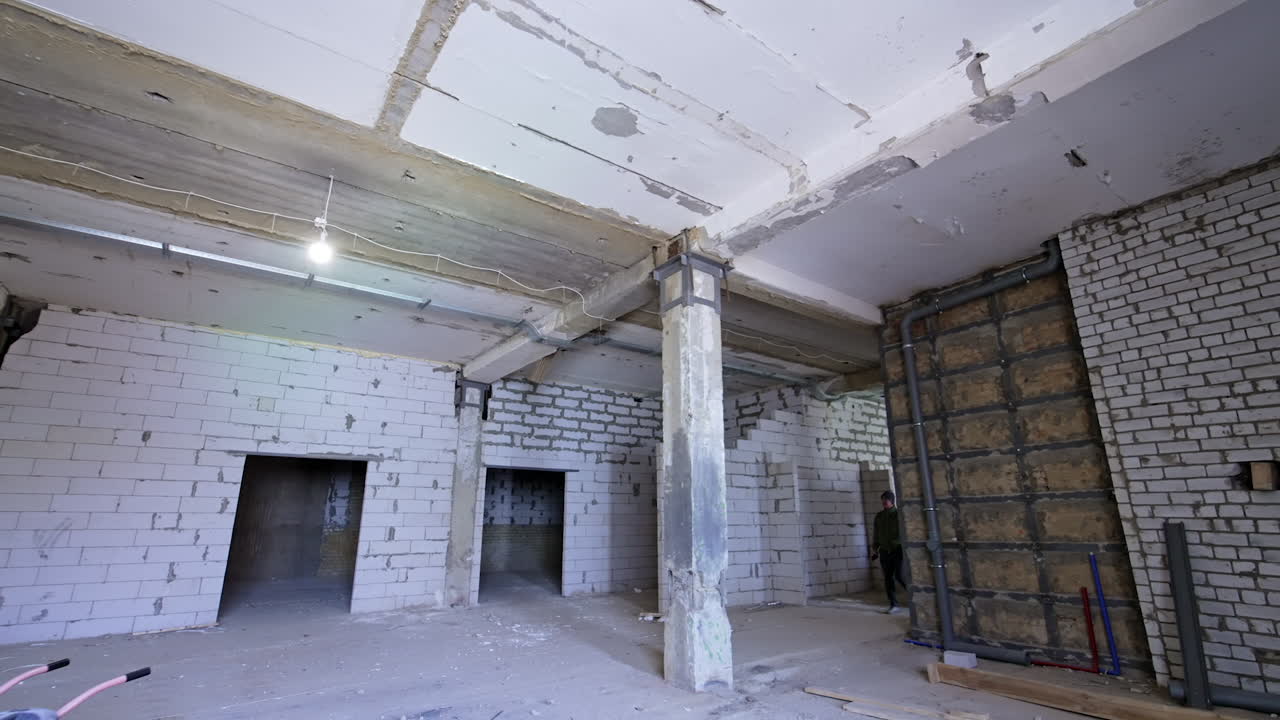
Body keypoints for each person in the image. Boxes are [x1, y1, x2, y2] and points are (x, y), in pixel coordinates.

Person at [871, 490, 908, 614]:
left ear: (892, 501)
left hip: (897, 550)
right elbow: (876, 533)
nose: (883, 504)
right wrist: (875, 547)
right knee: (887, 578)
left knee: (900, 576)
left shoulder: (899, 515)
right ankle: (893, 604)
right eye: (882, 501)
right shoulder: (879, 516)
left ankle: (915, 598)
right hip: (884, 551)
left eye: (885, 501)